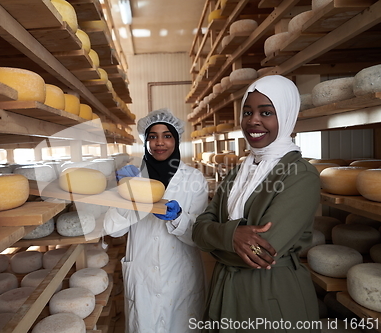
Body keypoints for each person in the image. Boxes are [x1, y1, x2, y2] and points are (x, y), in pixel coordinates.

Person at [192, 75, 321, 332]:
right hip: (224, 291)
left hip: (270, 297)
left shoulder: (299, 174)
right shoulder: (237, 172)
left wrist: (217, 239)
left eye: (266, 112)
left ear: (285, 116)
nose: (253, 120)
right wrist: (232, 237)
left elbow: (262, 252)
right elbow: (198, 231)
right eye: (248, 112)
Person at [103, 108, 209, 333]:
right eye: (153, 136)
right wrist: (129, 195)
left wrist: (178, 218)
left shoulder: (193, 178)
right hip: (142, 274)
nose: (159, 142)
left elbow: (201, 236)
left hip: (181, 272)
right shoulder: (133, 178)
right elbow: (112, 229)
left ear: (177, 139)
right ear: (146, 141)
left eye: (167, 136)